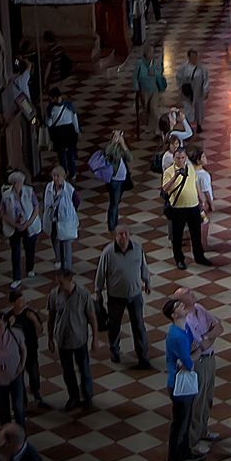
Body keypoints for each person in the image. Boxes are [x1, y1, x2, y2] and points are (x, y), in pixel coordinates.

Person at [94, 224, 153, 368]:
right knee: (114, 326)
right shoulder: (108, 252)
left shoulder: (138, 248)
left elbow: (143, 267)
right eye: (121, 234)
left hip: (135, 295)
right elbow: (101, 273)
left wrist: (147, 281)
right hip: (115, 297)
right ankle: (114, 352)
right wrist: (98, 291)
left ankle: (143, 356)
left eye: (126, 233)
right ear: (116, 236)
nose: (124, 237)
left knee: (139, 325)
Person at [174, 288, 224, 455]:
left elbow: (219, 326)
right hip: (200, 363)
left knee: (208, 397)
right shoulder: (186, 322)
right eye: (188, 293)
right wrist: (210, 336)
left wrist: (208, 336)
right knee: (198, 402)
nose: (192, 292)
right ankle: (193, 442)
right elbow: (202, 346)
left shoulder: (200, 309)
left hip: (210, 359)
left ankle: (203, 431)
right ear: (182, 302)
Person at [162, 298, 203, 461]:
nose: (182, 306)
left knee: (186, 420)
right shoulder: (176, 336)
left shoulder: (184, 328)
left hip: (185, 381)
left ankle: (185, 452)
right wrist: (191, 357)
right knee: (179, 424)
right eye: (178, 306)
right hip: (178, 385)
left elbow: (196, 347)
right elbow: (189, 362)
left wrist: (191, 356)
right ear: (173, 315)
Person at [47, 268, 98, 410]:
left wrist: (95, 338)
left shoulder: (83, 294)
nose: (59, 285)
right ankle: (73, 397)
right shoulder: (54, 295)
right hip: (62, 341)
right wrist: (50, 339)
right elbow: (51, 318)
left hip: (79, 339)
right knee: (68, 371)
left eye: (61, 282)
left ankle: (88, 397)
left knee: (84, 370)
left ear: (70, 280)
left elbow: (92, 317)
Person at [162, 148, 213, 270]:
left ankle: (199, 257)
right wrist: (175, 176)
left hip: (193, 207)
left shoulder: (190, 168)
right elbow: (165, 188)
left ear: (186, 158)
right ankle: (179, 259)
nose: (180, 160)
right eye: (178, 158)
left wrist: (201, 200)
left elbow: (196, 185)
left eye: (183, 157)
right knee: (177, 236)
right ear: (174, 158)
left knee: (196, 234)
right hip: (178, 209)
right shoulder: (169, 172)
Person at [0, 171, 41, 290]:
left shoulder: (29, 191)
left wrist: (28, 223)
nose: (20, 184)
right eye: (17, 182)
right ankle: (16, 277)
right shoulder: (6, 195)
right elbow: (2, 212)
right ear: (13, 183)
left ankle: (30, 268)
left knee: (30, 248)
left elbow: (36, 208)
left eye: (21, 182)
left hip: (29, 225)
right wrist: (14, 224)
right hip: (14, 227)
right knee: (16, 253)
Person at [6, 290, 44, 408]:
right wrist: (9, 325)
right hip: (16, 354)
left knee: (33, 373)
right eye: (20, 301)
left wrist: (35, 320)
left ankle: (36, 392)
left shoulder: (29, 313)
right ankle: (22, 402)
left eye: (23, 300)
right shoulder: (9, 317)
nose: (23, 302)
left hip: (31, 350)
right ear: (13, 303)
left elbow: (40, 330)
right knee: (18, 377)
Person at [42, 165, 80, 273]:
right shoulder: (49, 187)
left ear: (63, 177)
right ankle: (58, 260)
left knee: (66, 245)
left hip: (65, 220)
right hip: (53, 220)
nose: (55, 178)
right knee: (55, 240)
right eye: (53, 176)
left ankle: (67, 267)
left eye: (57, 176)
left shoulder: (69, 189)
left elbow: (76, 201)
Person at [45, 87, 79, 180]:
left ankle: (63, 174)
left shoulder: (52, 108)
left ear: (54, 98)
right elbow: (74, 119)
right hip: (70, 132)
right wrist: (77, 132)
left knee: (62, 156)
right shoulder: (69, 106)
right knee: (70, 155)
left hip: (59, 134)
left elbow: (49, 123)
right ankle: (73, 174)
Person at [103, 129, 133, 233]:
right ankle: (112, 226)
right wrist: (114, 141)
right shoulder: (110, 148)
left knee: (117, 201)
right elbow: (109, 152)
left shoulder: (120, 148)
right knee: (114, 203)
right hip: (114, 180)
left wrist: (123, 144)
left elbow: (129, 157)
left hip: (123, 179)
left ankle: (114, 222)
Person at [175, 48, 210, 134]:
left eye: (195, 56)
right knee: (188, 108)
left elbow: (205, 79)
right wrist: (182, 87)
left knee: (199, 108)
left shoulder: (201, 68)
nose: (194, 58)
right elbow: (178, 77)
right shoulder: (184, 67)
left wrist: (205, 90)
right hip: (188, 92)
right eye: (192, 56)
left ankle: (198, 124)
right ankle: (188, 125)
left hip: (198, 92)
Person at [133, 44, 164, 135]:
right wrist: (136, 86)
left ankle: (161, 126)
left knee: (153, 108)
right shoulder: (140, 64)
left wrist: (153, 73)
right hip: (143, 91)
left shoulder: (156, 63)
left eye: (151, 52)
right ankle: (150, 126)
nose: (150, 54)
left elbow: (160, 73)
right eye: (148, 52)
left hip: (154, 90)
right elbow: (135, 76)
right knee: (146, 109)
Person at [191, 148, 213, 250]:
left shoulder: (191, 171)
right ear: (198, 160)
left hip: (194, 202)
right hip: (203, 203)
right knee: (204, 225)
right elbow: (206, 191)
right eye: (203, 157)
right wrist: (210, 204)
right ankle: (203, 245)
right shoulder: (203, 175)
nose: (206, 158)